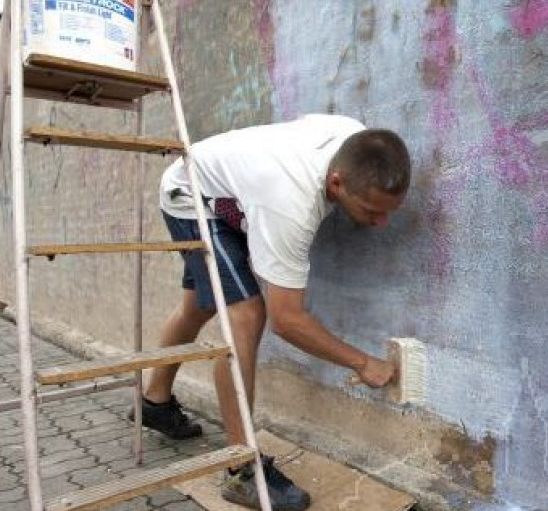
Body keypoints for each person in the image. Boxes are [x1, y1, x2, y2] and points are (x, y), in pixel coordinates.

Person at [132, 114, 411, 510]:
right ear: (337, 184)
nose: (381, 224)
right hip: (191, 197)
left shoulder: (357, 140)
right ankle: (240, 469)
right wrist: (363, 363)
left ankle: (154, 404)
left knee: (198, 306)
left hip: (230, 190)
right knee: (245, 314)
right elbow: (288, 321)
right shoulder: (290, 203)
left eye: (390, 212)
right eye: (371, 211)